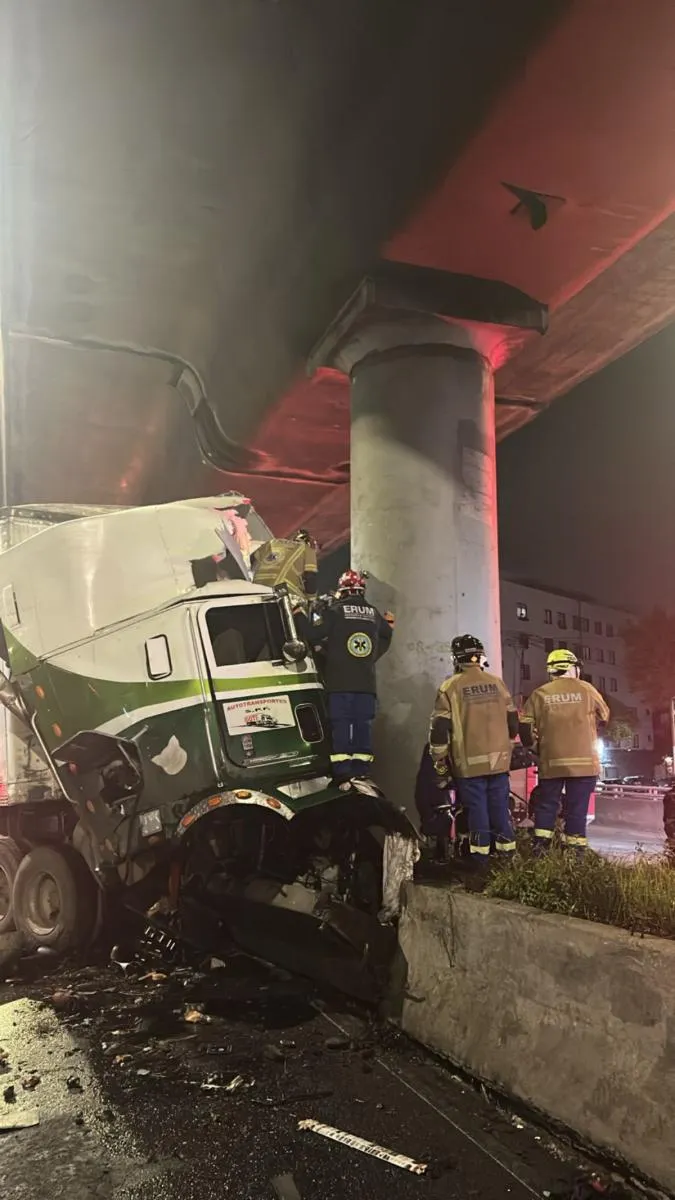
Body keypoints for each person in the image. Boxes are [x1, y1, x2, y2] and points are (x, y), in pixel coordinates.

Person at [429, 634, 518, 863]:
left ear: (456, 659)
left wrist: (439, 759)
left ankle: (480, 862)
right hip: (499, 763)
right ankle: (508, 859)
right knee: (500, 811)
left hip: (468, 765)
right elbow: (513, 723)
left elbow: (440, 728)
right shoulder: (498, 683)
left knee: (477, 813)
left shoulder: (450, 687)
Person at [520, 648, 609, 855]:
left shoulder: (540, 694)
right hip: (584, 765)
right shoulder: (588, 690)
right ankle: (575, 855)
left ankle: (540, 851)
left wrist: (534, 747)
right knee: (577, 811)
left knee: (546, 807)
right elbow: (604, 716)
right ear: (573, 668)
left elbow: (524, 727)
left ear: (551, 670)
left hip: (552, 762)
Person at [311, 569, 392, 784]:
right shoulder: (373, 613)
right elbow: (387, 635)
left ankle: (343, 771)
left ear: (342, 590)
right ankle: (361, 770)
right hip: (365, 684)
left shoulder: (336, 611)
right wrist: (371, 656)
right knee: (363, 726)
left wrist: (313, 613)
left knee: (341, 726)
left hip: (339, 683)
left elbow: (314, 632)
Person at [251, 529, 318, 606]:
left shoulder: (273, 542)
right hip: (282, 590)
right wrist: (312, 599)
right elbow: (310, 576)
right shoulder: (307, 550)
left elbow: (253, 559)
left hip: (257, 586)